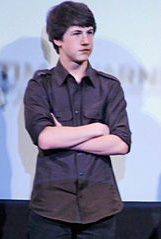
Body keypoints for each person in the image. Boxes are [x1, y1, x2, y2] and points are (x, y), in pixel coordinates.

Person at [24, 1, 131, 238]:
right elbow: (45, 138)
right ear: (57, 40)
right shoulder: (40, 85)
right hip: (51, 207)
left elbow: (121, 143)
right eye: (76, 33)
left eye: (89, 32)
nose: (86, 41)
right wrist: (97, 128)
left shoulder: (109, 86)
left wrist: (66, 136)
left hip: (99, 207)